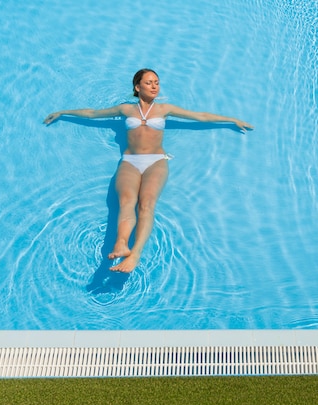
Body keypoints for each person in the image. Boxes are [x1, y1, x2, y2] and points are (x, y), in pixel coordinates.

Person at [44, 68, 253, 273]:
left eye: (157, 83)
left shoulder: (164, 109)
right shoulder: (126, 109)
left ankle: (135, 254)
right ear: (137, 87)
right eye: (149, 82)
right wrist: (63, 113)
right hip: (130, 161)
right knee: (126, 201)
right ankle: (121, 243)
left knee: (147, 203)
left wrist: (232, 120)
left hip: (156, 161)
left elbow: (200, 116)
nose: (154, 86)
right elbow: (92, 113)